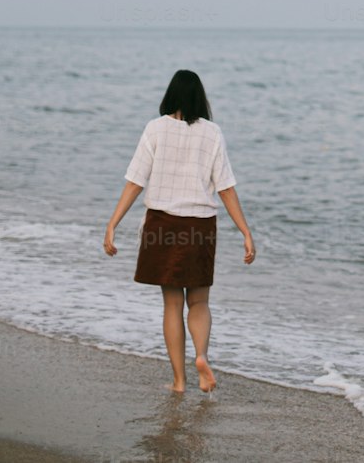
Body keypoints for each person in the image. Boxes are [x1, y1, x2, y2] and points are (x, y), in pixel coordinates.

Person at [103, 69, 256, 393]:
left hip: (162, 223)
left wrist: (112, 223)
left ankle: (178, 381)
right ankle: (201, 356)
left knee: (172, 304)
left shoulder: (155, 129)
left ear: (170, 95)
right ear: (201, 98)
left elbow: (135, 180)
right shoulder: (212, 133)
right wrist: (245, 231)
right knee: (199, 302)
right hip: (199, 226)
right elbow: (226, 188)